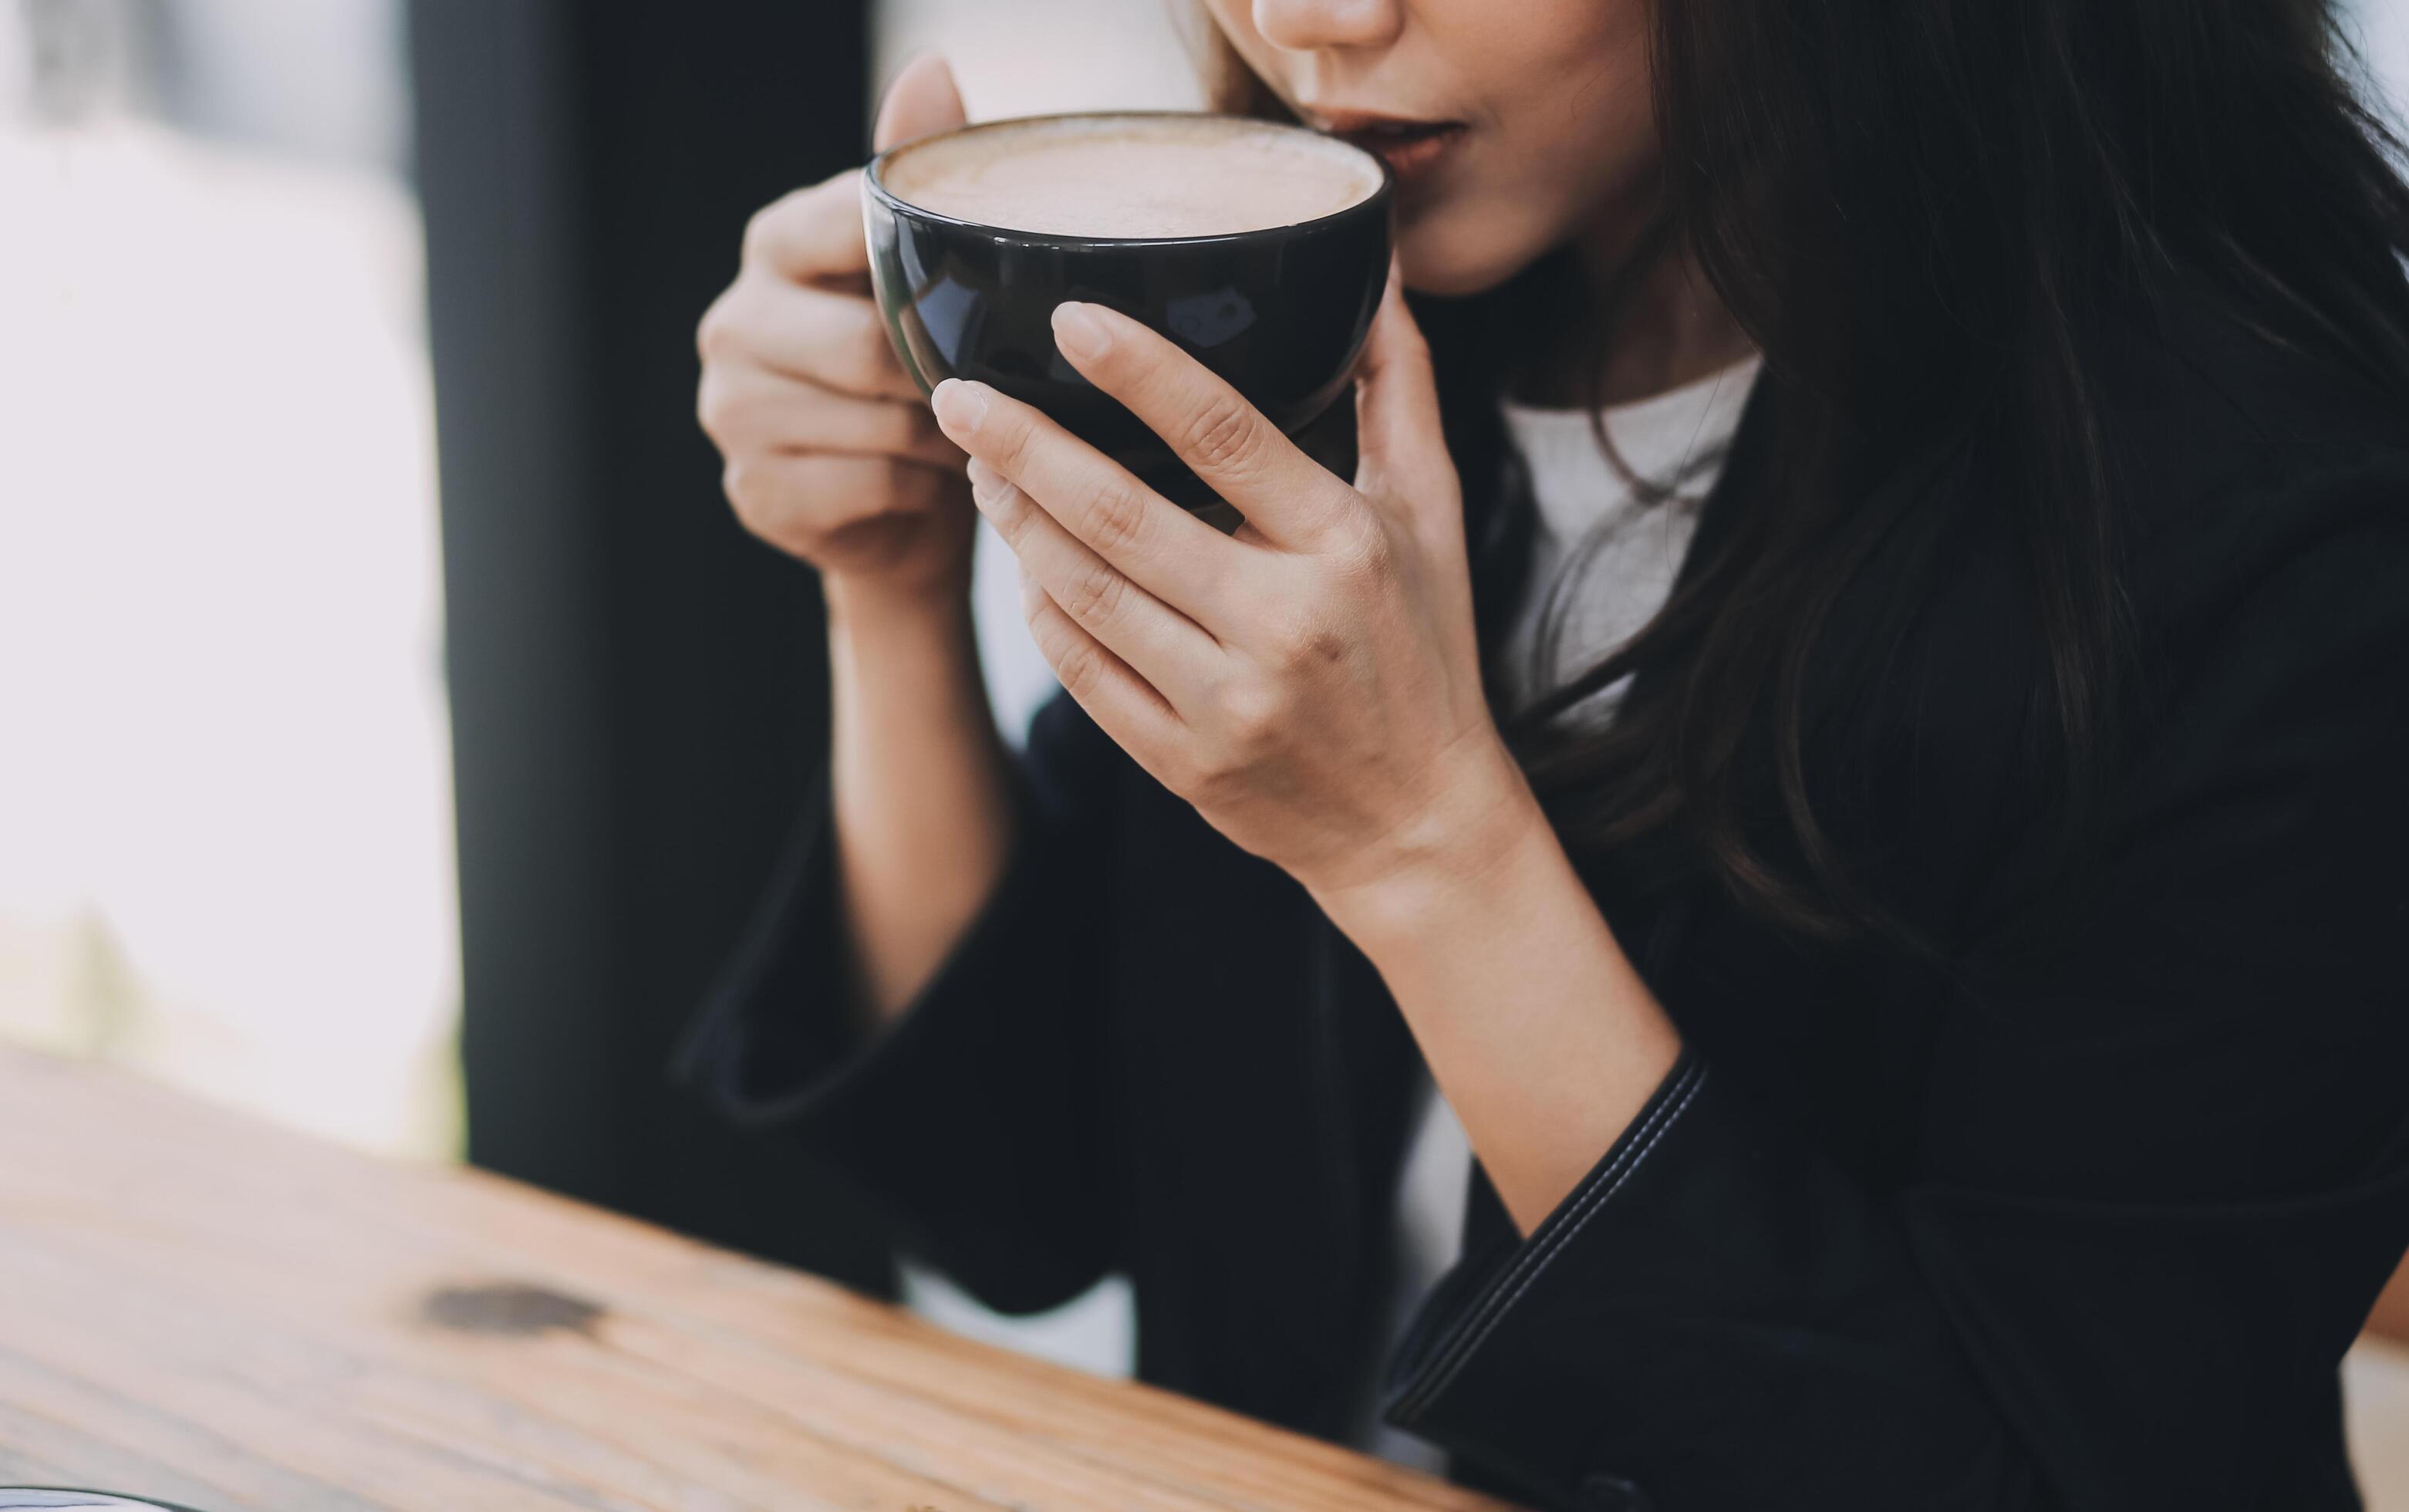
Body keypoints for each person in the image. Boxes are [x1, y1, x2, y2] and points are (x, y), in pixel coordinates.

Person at [680, 0, 2409, 1505]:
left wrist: (1424, 846)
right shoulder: (1336, 334)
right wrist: (892, 584)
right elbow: (1009, 1199)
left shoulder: (2279, 555)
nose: (1305, 16)